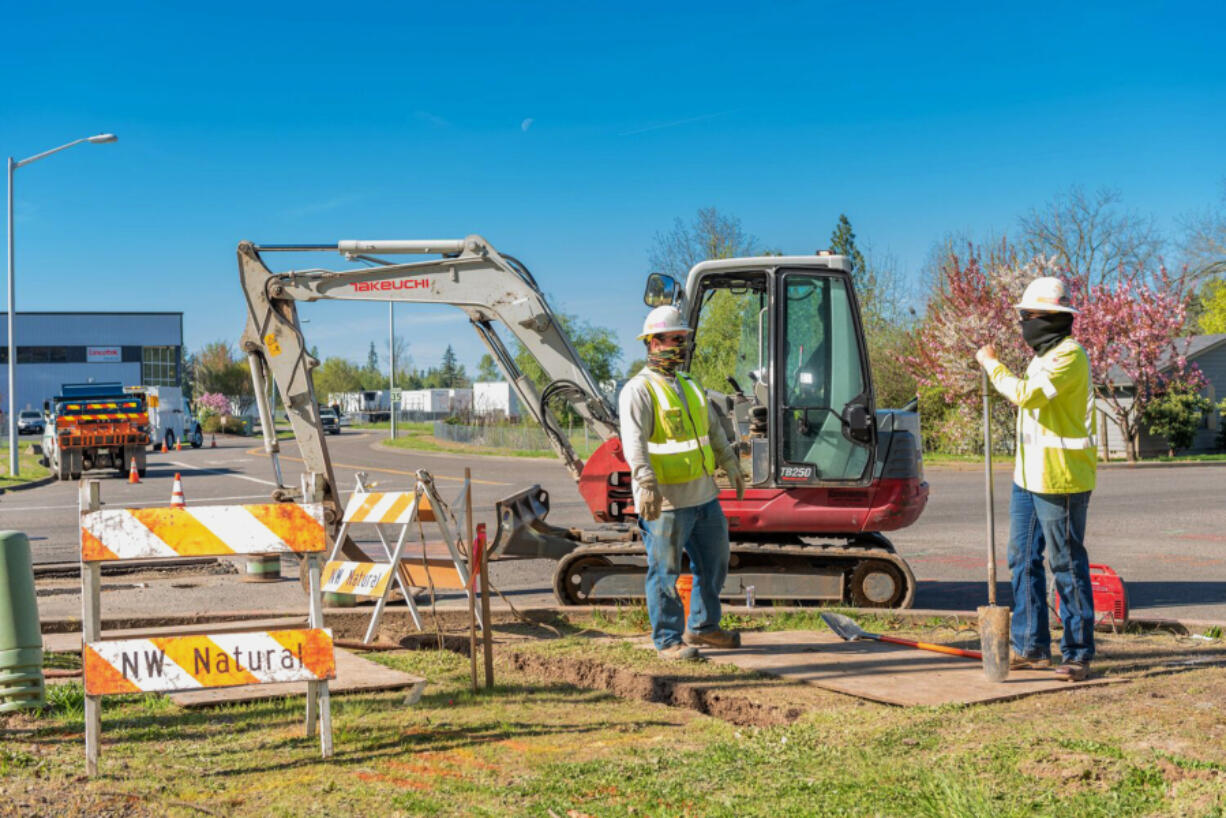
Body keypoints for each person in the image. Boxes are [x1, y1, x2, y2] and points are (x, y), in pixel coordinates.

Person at [975, 276, 1098, 682]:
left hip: (1060, 479)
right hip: (1028, 477)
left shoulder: (1069, 356)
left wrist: (992, 364)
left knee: (1065, 563)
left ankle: (1078, 653)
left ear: (1051, 317)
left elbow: (1026, 395)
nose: (1023, 323)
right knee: (1021, 559)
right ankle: (1031, 645)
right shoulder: (1043, 355)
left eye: (1028, 316)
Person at [620, 305, 746, 660]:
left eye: (685, 339)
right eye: (675, 339)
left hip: (704, 497)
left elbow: (713, 430)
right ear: (653, 342)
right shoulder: (639, 390)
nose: (682, 346)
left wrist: (730, 463)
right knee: (665, 572)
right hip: (667, 503)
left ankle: (704, 627)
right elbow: (635, 443)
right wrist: (645, 482)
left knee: (715, 564)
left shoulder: (690, 385)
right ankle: (668, 640)